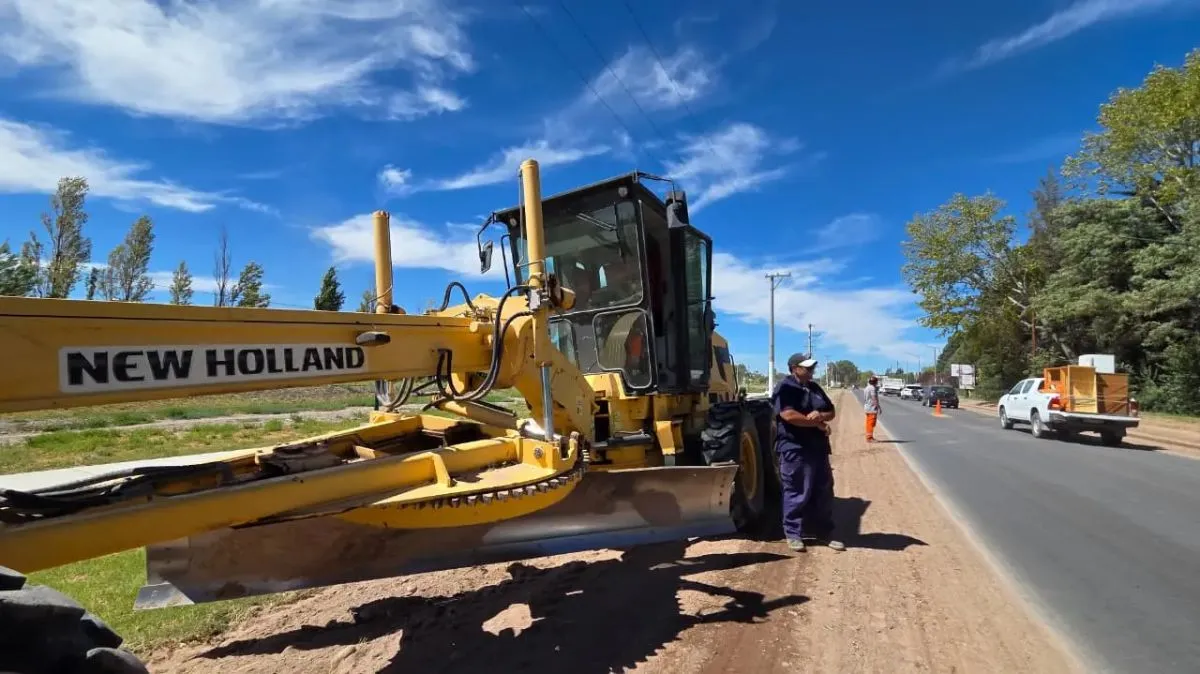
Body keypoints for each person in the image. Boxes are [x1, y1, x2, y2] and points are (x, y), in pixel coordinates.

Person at [772, 353, 845, 553]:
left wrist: (821, 416)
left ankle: (823, 532)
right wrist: (818, 424)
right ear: (795, 368)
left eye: (813, 367)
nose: (811, 370)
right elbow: (788, 415)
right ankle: (794, 534)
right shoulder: (785, 388)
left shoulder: (814, 388)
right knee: (797, 491)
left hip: (818, 448)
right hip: (794, 448)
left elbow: (831, 411)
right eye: (807, 367)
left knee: (823, 490)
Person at [863, 376, 881, 442]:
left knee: (868, 423)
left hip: (867, 407)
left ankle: (869, 436)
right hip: (871, 408)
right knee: (871, 423)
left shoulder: (866, 388)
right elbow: (874, 398)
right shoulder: (872, 388)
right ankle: (870, 438)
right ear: (875, 382)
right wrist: (878, 407)